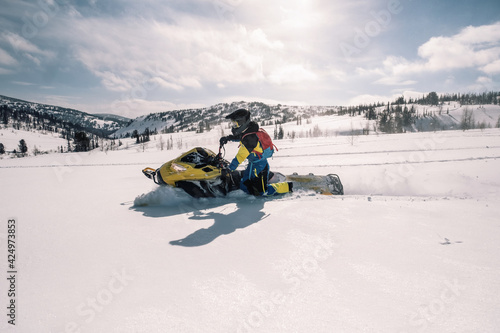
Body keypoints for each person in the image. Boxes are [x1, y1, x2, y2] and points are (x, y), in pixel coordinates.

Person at [219, 109, 292, 196]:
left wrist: (230, 169)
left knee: (263, 192)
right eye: (233, 124)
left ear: (242, 123)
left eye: (235, 124)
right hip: (252, 165)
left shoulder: (250, 138)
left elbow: (240, 157)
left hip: (260, 167)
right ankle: (263, 179)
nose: (233, 126)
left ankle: (288, 186)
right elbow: (241, 137)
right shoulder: (248, 131)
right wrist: (228, 138)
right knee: (244, 185)